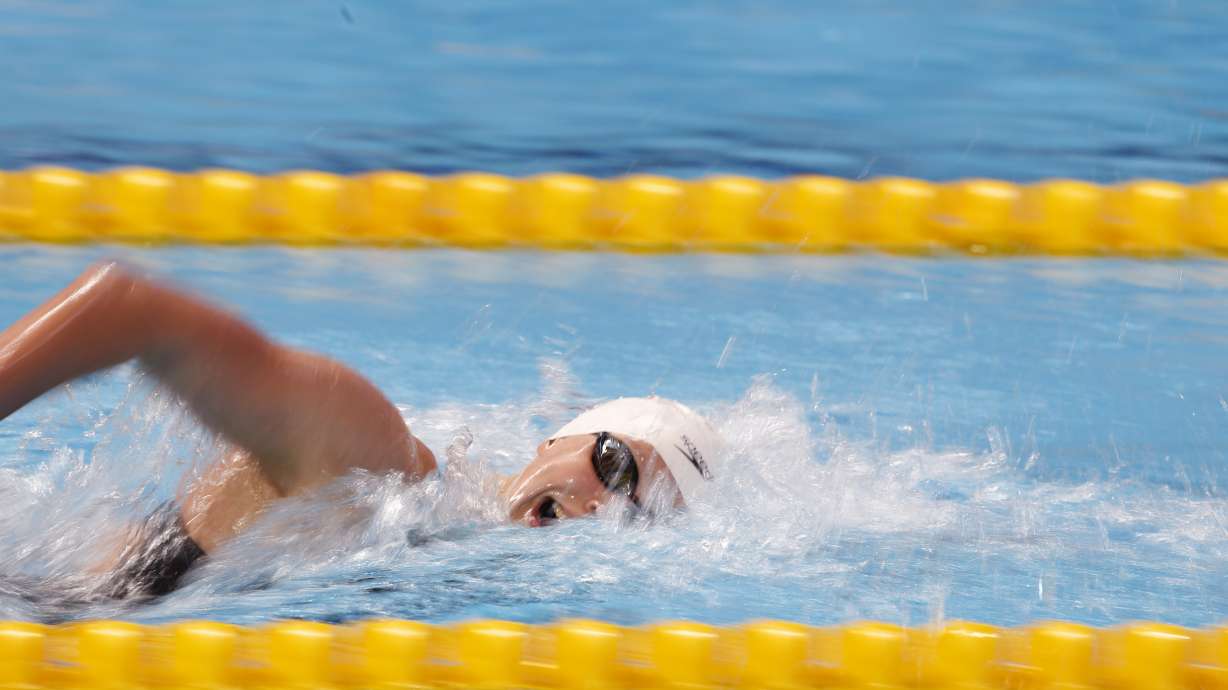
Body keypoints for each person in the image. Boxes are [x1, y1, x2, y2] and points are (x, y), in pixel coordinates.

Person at [0, 262, 723, 598]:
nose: (605, 508)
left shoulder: (462, 575)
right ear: (557, 441)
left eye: (640, 516)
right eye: (615, 466)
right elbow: (131, 310)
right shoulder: (376, 461)